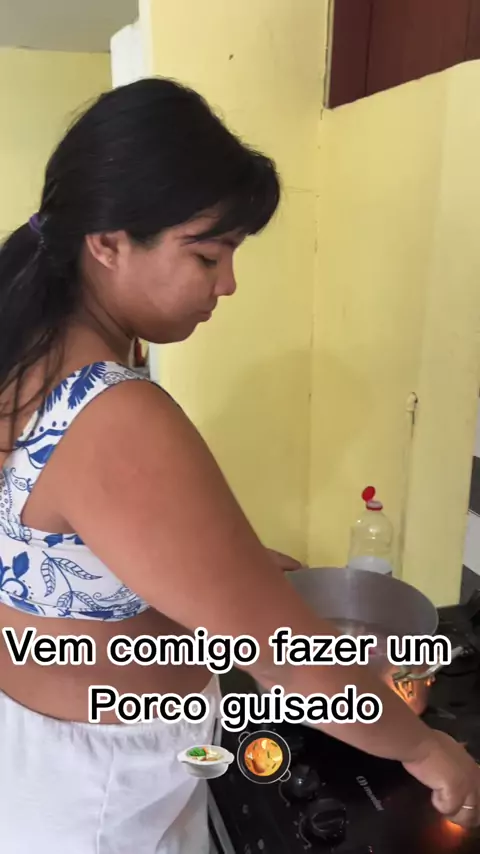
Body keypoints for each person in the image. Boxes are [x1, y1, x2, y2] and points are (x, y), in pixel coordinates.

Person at [0, 77, 478, 854]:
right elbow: (288, 661)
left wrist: (227, 570)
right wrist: (428, 750)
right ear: (108, 242)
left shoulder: (25, 356)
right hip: (105, 803)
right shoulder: (112, 413)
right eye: (206, 254)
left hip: (46, 762)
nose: (226, 284)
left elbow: (60, 558)